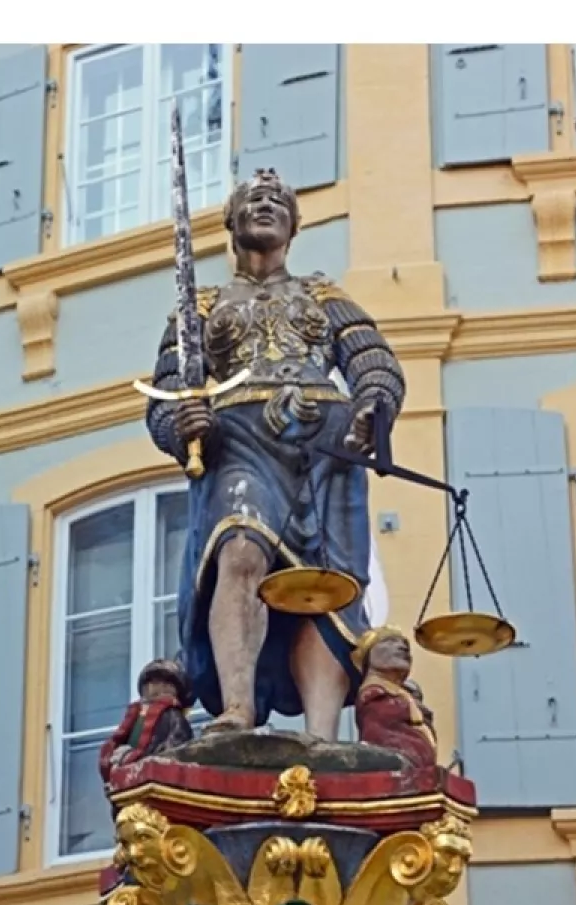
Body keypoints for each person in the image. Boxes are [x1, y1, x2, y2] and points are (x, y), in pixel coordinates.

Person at [145, 168, 406, 738]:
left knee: (327, 588)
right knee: (238, 550)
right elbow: (168, 394)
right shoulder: (201, 307)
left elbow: (373, 361)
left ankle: (322, 735)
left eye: (277, 202)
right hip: (238, 441)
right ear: (231, 223)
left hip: (325, 447)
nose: (266, 206)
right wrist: (183, 424)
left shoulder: (322, 294)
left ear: (294, 224)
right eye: (253, 200)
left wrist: (372, 406)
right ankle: (236, 708)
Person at [98, 658, 196, 790]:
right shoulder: (135, 717)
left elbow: (175, 749)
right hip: (127, 783)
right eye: (151, 682)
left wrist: (139, 758)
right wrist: (117, 757)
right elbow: (116, 746)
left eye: (163, 683)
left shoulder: (172, 716)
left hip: (154, 783)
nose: (155, 687)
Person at [350, 628, 438, 768]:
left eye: (405, 645)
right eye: (389, 641)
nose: (402, 647)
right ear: (369, 655)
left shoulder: (404, 695)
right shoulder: (374, 694)